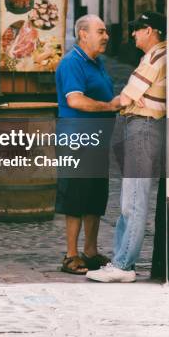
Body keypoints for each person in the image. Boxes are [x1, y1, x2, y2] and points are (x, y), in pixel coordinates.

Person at [86, 11, 167, 283]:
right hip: (139, 126)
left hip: (143, 127)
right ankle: (121, 261)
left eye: (138, 28)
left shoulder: (158, 57)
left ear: (151, 31)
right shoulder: (153, 57)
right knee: (128, 199)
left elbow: (127, 96)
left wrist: (126, 101)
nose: (133, 33)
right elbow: (132, 96)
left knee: (134, 199)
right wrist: (131, 100)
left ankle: (124, 265)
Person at [55, 14, 120, 275]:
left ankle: (90, 252)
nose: (106, 36)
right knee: (74, 198)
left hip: (97, 140)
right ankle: (71, 256)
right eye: (101, 31)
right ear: (83, 34)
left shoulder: (97, 62)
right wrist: (109, 106)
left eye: (106, 31)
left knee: (94, 196)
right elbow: (75, 101)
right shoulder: (72, 63)